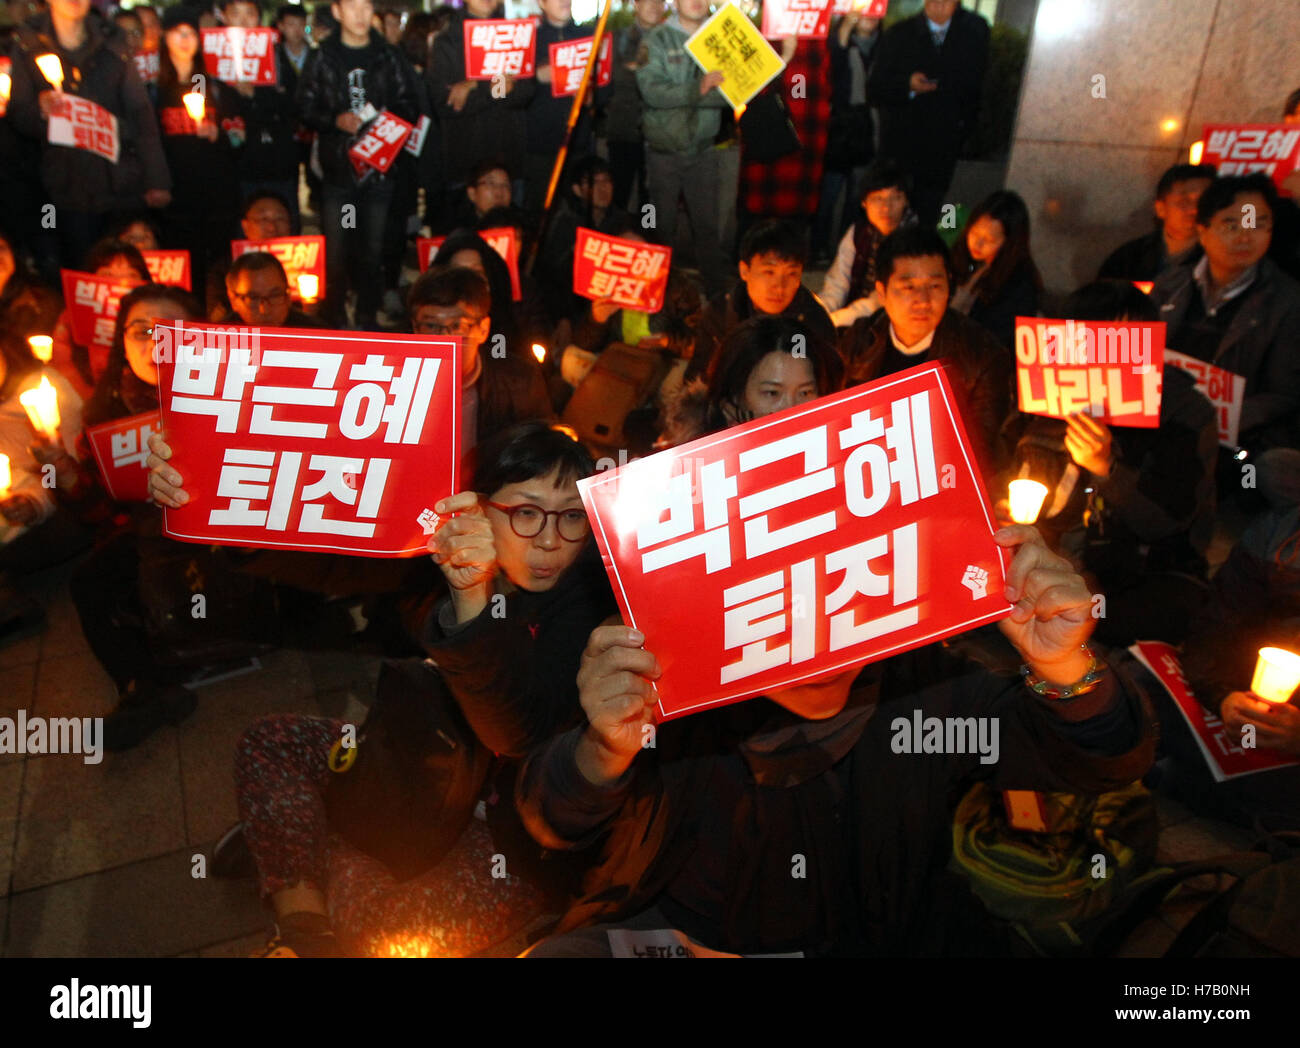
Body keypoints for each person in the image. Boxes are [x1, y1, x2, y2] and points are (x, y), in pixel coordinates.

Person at [516, 526, 1155, 955]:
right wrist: (606, 748)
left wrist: (1066, 666)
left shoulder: (923, 692)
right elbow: (552, 819)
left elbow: (1102, 753)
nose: (820, 648)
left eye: (841, 597)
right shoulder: (667, 684)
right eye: (784, 603)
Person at [220, 422, 617, 957]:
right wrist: (230, 519)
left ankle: (296, 850)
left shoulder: (591, 600)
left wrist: (472, 600)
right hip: (417, 764)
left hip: (510, 834)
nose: (550, 540)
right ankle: (303, 925)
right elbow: (340, 559)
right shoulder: (445, 551)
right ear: (476, 508)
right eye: (525, 512)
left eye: (572, 516)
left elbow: (517, 733)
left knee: (389, 933)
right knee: (266, 742)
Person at [1006, 281, 1217, 648]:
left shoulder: (1186, 412)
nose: (1107, 360)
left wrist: (1107, 469)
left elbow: (1168, 520)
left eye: (1125, 344)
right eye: (1094, 344)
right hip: (1054, 552)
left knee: (1112, 620)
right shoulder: (1044, 396)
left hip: (1147, 570)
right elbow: (1003, 471)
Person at [66, 283, 206, 751]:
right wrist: (66, 478)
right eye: (141, 330)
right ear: (121, 343)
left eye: (173, 329)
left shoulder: (236, 392)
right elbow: (97, 510)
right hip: (149, 539)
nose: (156, 342)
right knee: (90, 581)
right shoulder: (105, 410)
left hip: (224, 535)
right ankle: (142, 688)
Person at [1150, 173, 1300, 500]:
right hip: (1159, 421)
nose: (1246, 237)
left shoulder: (1287, 302)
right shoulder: (1170, 284)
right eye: (1232, 224)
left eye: (1259, 224)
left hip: (1235, 441)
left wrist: (1223, 418)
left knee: (1254, 475)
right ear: (1202, 230)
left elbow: (1284, 395)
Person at [6, 0, 172, 277]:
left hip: (119, 184)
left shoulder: (113, 41)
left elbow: (140, 113)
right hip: (62, 190)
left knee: (124, 272)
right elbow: (19, 115)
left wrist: (157, 180)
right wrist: (41, 111)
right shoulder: (27, 43)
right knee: (79, 274)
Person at [1161, 505, 1300, 829]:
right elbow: (1216, 627)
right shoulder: (1277, 530)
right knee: (1136, 690)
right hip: (1248, 684)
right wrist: (1223, 698)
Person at [839, 225, 1012, 476]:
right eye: (908, 287)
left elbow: (981, 452)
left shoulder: (982, 356)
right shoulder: (856, 342)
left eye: (934, 286)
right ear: (882, 293)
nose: (923, 300)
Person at [296, 0, 418, 329]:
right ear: (337, 12)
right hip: (338, 172)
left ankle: (367, 317)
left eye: (366, 8)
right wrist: (335, 119)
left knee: (373, 250)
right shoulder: (323, 55)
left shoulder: (388, 55)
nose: (360, 15)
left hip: (378, 169)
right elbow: (304, 105)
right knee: (336, 252)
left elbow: (410, 102)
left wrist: (382, 120)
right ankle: (334, 317)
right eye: (352, 7)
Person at [636, 0, 739, 298]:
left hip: (705, 152)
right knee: (660, 229)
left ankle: (718, 305)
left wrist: (699, 93)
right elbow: (652, 91)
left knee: (709, 230)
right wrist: (698, 89)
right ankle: (659, 300)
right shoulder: (656, 39)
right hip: (662, 153)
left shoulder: (722, 39)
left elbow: (732, 94)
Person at [867, 0, 989, 227]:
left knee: (931, 216)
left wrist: (964, 132)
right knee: (892, 219)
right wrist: (907, 86)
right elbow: (875, 89)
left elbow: (976, 89)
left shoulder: (973, 33)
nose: (939, 4)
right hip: (900, 146)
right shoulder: (899, 34)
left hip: (943, 147)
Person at [406, 266, 553, 449]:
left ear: (483, 329)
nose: (444, 338)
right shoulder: (390, 381)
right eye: (431, 325)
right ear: (415, 328)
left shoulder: (521, 384)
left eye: (458, 325)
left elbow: (541, 453)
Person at [151, 5, 239, 302]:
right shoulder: (153, 89)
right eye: (178, 33)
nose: (185, 40)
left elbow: (240, 136)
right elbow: (147, 139)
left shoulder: (214, 86)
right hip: (175, 195)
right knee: (182, 265)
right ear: (165, 38)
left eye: (191, 33)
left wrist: (220, 134)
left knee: (217, 265)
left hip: (215, 193)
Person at [659, 314, 843, 448]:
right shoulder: (696, 481)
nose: (791, 409)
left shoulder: (849, 470)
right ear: (730, 403)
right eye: (772, 393)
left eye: (805, 392)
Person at [690, 219, 835, 382]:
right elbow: (699, 377)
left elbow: (829, 385)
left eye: (791, 274)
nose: (779, 287)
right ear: (745, 271)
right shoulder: (721, 314)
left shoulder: (813, 323)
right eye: (768, 272)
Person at [425, 0, 534, 203]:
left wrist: (474, 85)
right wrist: (492, 88)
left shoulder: (515, 35)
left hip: (508, 162)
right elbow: (447, 103)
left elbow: (523, 92)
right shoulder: (447, 42)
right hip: (466, 164)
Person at [221, 0, 306, 236]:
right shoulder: (214, 57)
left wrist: (256, 93)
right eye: (236, 13)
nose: (243, 20)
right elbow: (203, 96)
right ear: (224, 16)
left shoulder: (277, 56)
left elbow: (295, 103)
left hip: (277, 161)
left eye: (250, 13)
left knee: (283, 228)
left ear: (258, 18)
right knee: (245, 234)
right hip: (235, 165)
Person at [813, 8, 882, 264]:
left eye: (875, 12)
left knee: (857, 200)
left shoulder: (885, 47)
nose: (870, 16)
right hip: (840, 129)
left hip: (868, 130)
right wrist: (843, 30)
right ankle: (819, 248)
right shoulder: (839, 42)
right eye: (866, 12)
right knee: (828, 195)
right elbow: (833, 70)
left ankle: (848, 253)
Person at [49, 237, 150, 400]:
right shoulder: (70, 318)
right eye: (108, 274)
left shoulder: (154, 318)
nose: (119, 283)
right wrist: (90, 401)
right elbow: (62, 362)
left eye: (131, 275)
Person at [521, 0, 597, 216]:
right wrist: (536, 76)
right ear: (541, 3)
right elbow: (504, 91)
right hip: (539, 148)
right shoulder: (528, 40)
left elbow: (607, 86)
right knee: (540, 214)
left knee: (581, 213)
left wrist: (593, 95)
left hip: (579, 144)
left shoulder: (590, 36)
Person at [818, 160, 914, 327]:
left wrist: (834, 320)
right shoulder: (859, 232)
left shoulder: (914, 240)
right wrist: (821, 312)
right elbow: (838, 282)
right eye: (878, 199)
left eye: (895, 198)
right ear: (864, 203)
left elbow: (879, 301)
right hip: (851, 318)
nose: (886, 208)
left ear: (906, 201)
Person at [949, 189, 1043, 348]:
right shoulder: (960, 258)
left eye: (989, 240)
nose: (977, 244)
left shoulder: (1018, 286)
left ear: (1009, 244)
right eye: (974, 233)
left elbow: (996, 341)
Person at [1097, 164, 1216, 284]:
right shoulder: (1128, 259)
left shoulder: (1221, 258)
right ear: (1161, 209)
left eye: (1203, 202)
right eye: (1184, 201)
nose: (1194, 210)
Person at [603, 0, 665, 211]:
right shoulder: (618, 39)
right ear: (636, 5)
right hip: (623, 129)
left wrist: (635, 68)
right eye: (649, 1)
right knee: (619, 192)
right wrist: (649, 72)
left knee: (651, 199)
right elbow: (612, 77)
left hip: (661, 132)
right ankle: (617, 236)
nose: (655, 6)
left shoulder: (671, 39)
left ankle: (648, 237)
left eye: (660, 2)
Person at [221, 251, 318, 327]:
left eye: (274, 296)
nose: (265, 310)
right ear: (233, 300)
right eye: (253, 298)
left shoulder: (317, 334)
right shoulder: (216, 341)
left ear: (288, 296)